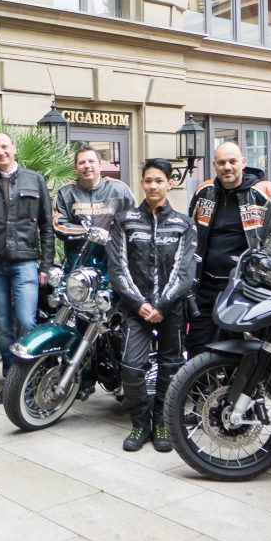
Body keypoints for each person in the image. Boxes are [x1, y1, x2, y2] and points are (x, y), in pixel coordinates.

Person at [107, 158, 197, 452]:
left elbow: (184, 273)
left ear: (170, 183)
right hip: (136, 310)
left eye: (159, 180)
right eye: (148, 180)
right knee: (131, 367)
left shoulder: (184, 224)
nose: (153, 186)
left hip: (171, 309)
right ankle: (140, 423)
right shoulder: (124, 220)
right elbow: (118, 269)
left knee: (171, 367)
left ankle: (161, 422)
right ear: (142, 183)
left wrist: (162, 304)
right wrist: (140, 304)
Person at [0, 132, 54, 404]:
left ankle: (28, 380)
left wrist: (46, 265)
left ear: (14, 149)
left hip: (25, 263)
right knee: (4, 326)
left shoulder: (35, 180)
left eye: (5, 146)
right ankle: (9, 382)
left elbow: (47, 226)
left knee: (27, 321)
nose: (1, 152)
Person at [186, 142, 271, 358]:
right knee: (196, 343)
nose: (227, 167)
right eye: (222, 162)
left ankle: (233, 390)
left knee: (236, 345)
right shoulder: (204, 191)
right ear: (214, 166)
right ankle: (198, 389)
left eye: (233, 161)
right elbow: (191, 230)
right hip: (205, 282)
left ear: (243, 162)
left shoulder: (262, 193)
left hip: (242, 286)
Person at [52, 146, 135, 267]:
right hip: (77, 262)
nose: (87, 166)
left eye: (91, 161)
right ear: (76, 168)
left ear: (100, 165)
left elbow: (134, 223)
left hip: (114, 261)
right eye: (82, 162)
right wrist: (90, 232)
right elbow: (59, 225)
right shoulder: (65, 193)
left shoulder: (119, 190)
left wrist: (113, 237)